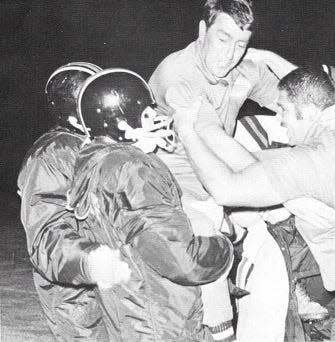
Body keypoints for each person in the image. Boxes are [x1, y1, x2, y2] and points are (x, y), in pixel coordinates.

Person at [174, 66, 335, 341]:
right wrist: (207, 123)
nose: (279, 119)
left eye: (284, 109)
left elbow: (227, 189)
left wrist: (187, 132)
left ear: (310, 110)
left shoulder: (316, 158)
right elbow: (251, 164)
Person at [149, 1, 297, 339]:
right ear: (202, 32)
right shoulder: (178, 74)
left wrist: (270, 58)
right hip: (175, 193)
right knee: (210, 259)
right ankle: (223, 332)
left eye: (240, 44)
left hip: (219, 188)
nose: (229, 55)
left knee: (288, 230)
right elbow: (214, 140)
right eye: (222, 39)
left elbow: (306, 102)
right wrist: (278, 183)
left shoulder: (243, 67)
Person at [66, 68, 234, 341]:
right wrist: (223, 246)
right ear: (119, 124)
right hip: (161, 317)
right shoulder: (132, 169)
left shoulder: (97, 162)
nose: (156, 119)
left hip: (132, 313)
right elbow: (180, 259)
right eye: (146, 115)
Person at [17, 62, 132, 340]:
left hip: (113, 282)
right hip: (76, 291)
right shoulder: (55, 153)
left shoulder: (99, 146)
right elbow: (46, 234)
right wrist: (94, 260)